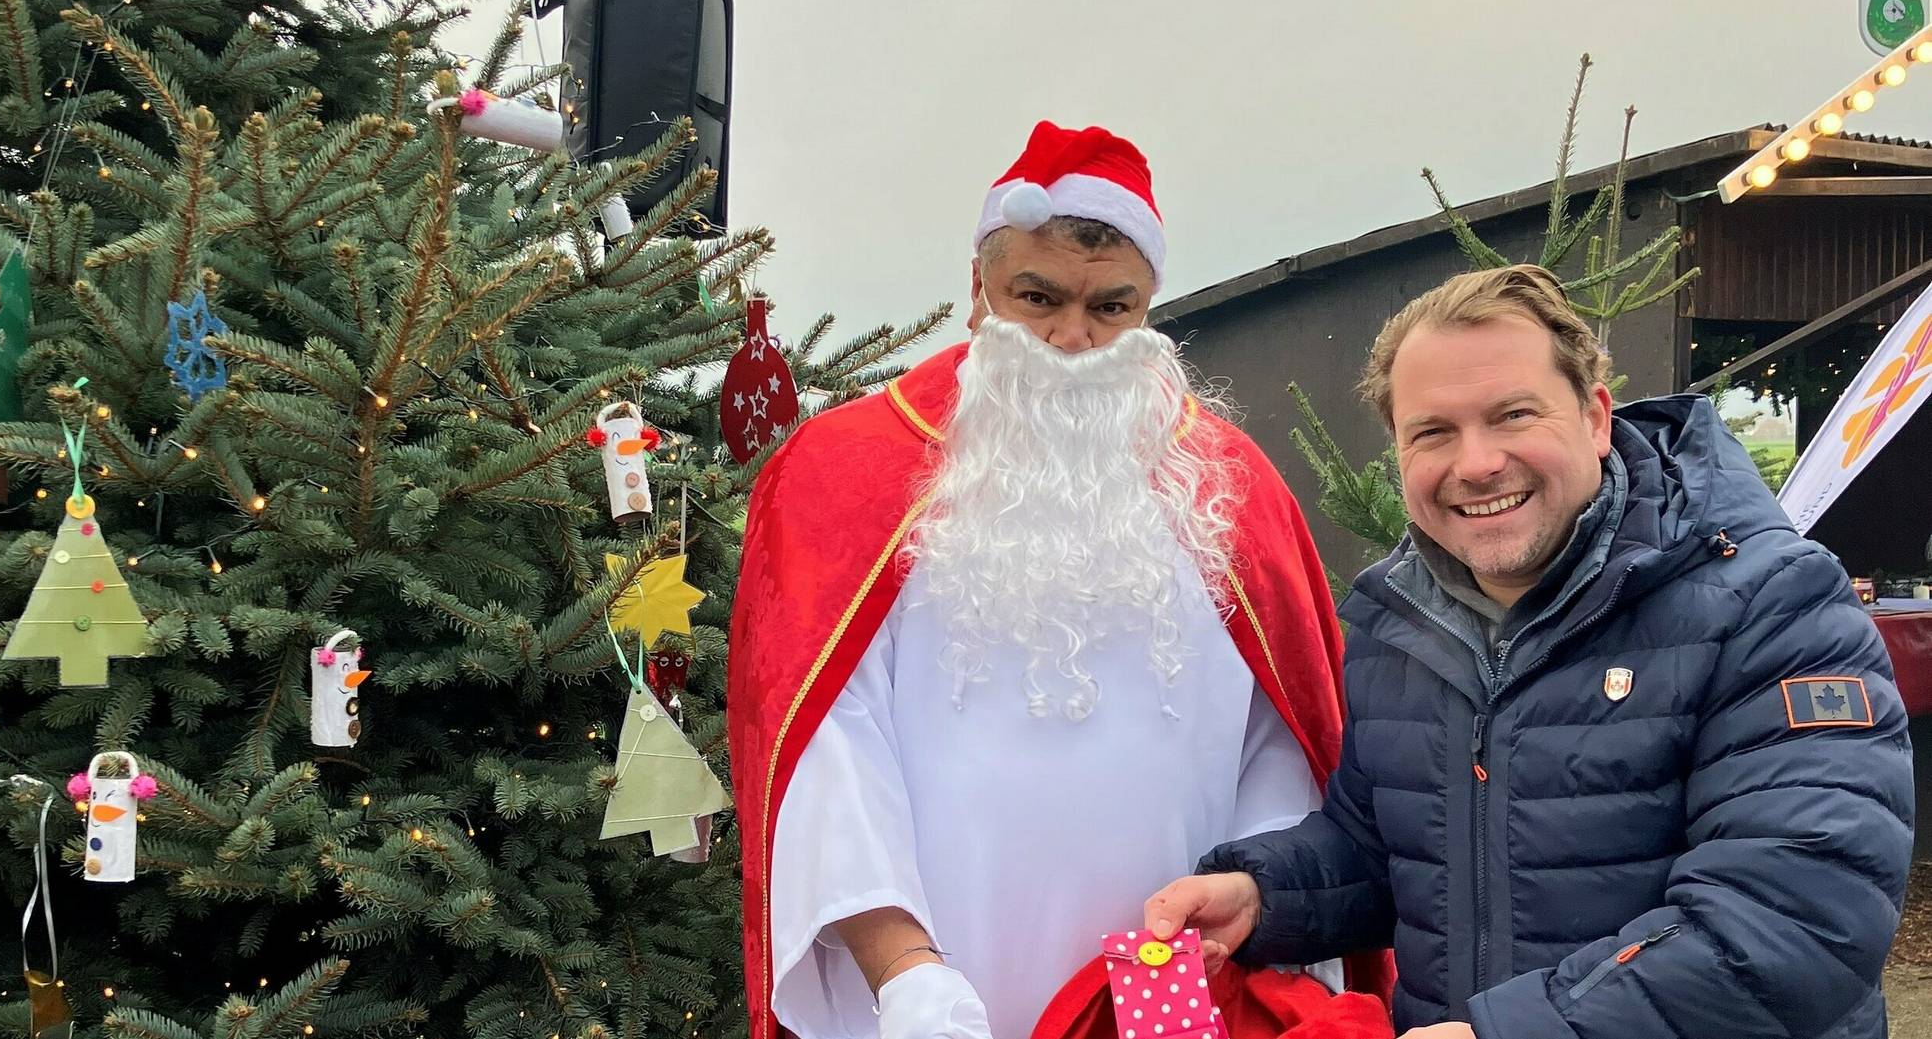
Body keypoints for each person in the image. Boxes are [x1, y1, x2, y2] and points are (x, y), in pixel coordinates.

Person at [728, 122, 1389, 1039]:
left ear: (1149, 304)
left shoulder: (1230, 486)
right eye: (1036, 297)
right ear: (977, 290)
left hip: (1165, 989)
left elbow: (1284, 746)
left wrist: (1245, 899)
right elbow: (821, 748)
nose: (1072, 338)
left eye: (1111, 308)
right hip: (917, 995)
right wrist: (906, 972)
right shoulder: (842, 472)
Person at [1146, 263, 1915, 1038]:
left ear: (1595, 417)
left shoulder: (1772, 603)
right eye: (1433, 431)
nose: (1476, 463)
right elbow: (1388, 849)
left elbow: (1797, 917)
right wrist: (1264, 894)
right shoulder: (1393, 626)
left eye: (1513, 414)